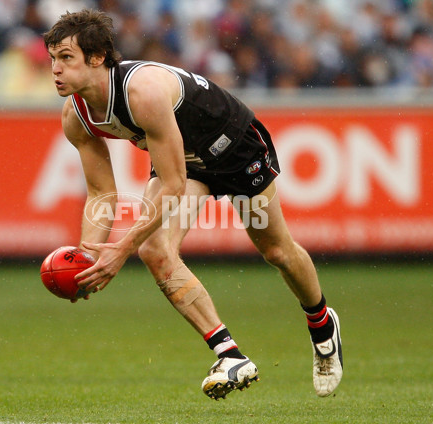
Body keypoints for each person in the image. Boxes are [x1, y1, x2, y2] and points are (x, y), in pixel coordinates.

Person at [43, 9, 343, 400]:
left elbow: (172, 184)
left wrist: (121, 249)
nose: (55, 69)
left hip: (234, 146)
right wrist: (87, 259)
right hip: (184, 161)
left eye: (66, 58)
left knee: (277, 251)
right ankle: (230, 355)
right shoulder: (76, 115)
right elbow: (103, 194)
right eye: (53, 58)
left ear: (97, 57)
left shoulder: (142, 92)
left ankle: (322, 326)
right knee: (155, 249)